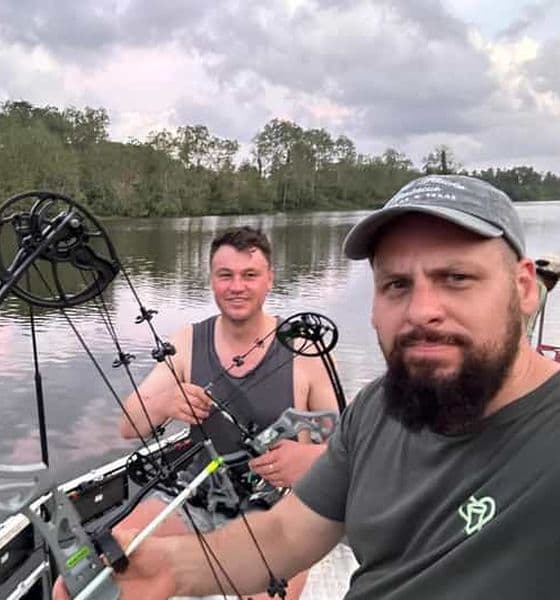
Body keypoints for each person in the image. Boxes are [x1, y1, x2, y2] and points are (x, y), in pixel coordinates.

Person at [55, 175, 560, 599]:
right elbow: (285, 534)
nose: (422, 310)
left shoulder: (307, 355)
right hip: (209, 505)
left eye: (456, 277)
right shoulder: (379, 409)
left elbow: (309, 474)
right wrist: (171, 568)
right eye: (397, 284)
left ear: (522, 288)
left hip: (263, 503)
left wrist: (309, 461)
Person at [115, 226, 342, 599]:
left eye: (249, 275)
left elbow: (350, 443)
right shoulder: (188, 341)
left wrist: (311, 456)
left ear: (269, 279)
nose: (237, 286)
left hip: (276, 515)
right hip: (191, 499)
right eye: (226, 275)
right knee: (99, 575)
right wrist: (167, 401)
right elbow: (128, 426)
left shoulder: (305, 350)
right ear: (212, 280)